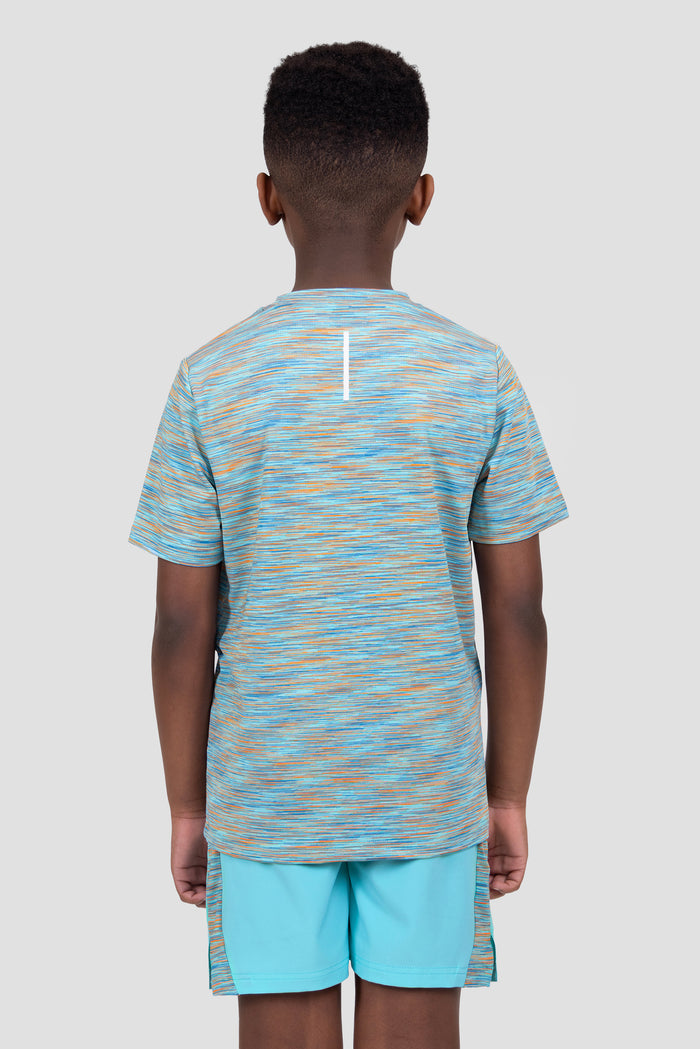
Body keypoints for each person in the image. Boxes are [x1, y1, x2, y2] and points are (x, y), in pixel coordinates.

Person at [128, 40, 569, 1049]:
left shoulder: (210, 379)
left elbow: (181, 621)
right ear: (421, 197)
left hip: (269, 788)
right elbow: (518, 607)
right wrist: (505, 791)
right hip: (426, 784)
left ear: (266, 197)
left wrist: (188, 805)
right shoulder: (478, 374)